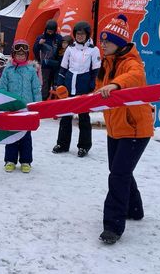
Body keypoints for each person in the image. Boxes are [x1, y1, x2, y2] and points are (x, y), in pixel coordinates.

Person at [94, 14, 153, 245]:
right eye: (102, 40)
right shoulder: (106, 63)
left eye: (107, 41)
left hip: (135, 129)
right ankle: (134, 208)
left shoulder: (131, 61)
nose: (103, 44)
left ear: (119, 43)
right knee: (120, 170)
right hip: (115, 128)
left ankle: (113, 226)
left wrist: (116, 84)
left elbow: (135, 77)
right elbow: (97, 93)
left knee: (118, 174)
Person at [53, 21, 101, 157]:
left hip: (83, 84)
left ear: (87, 35)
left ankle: (84, 146)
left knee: (83, 117)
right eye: (77, 34)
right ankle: (62, 144)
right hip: (69, 83)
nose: (80, 36)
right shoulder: (70, 48)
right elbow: (63, 68)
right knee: (66, 116)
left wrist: (92, 84)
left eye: (82, 34)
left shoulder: (93, 50)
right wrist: (60, 83)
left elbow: (96, 70)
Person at [0, 39, 41, 173]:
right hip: (12, 108)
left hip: (27, 108)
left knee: (25, 136)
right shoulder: (8, 70)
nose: (20, 56)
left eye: (23, 54)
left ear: (27, 55)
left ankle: (26, 160)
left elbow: (36, 88)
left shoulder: (31, 70)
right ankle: (10, 160)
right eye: (18, 54)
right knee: (11, 135)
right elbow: (2, 87)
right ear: (13, 55)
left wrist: (37, 106)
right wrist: (2, 104)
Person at [33, 19, 63, 100]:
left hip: (55, 65)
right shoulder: (41, 37)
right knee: (45, 84)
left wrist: (60, 61)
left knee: (55, 84)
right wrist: (39, 44)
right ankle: (43, 99)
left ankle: (54, 99)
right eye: (48, 31)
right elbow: (35, 50)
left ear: (55, 30)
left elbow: (62, 50)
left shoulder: (58, 38)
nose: (50, 33)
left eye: (51, 31)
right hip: (45, 66)